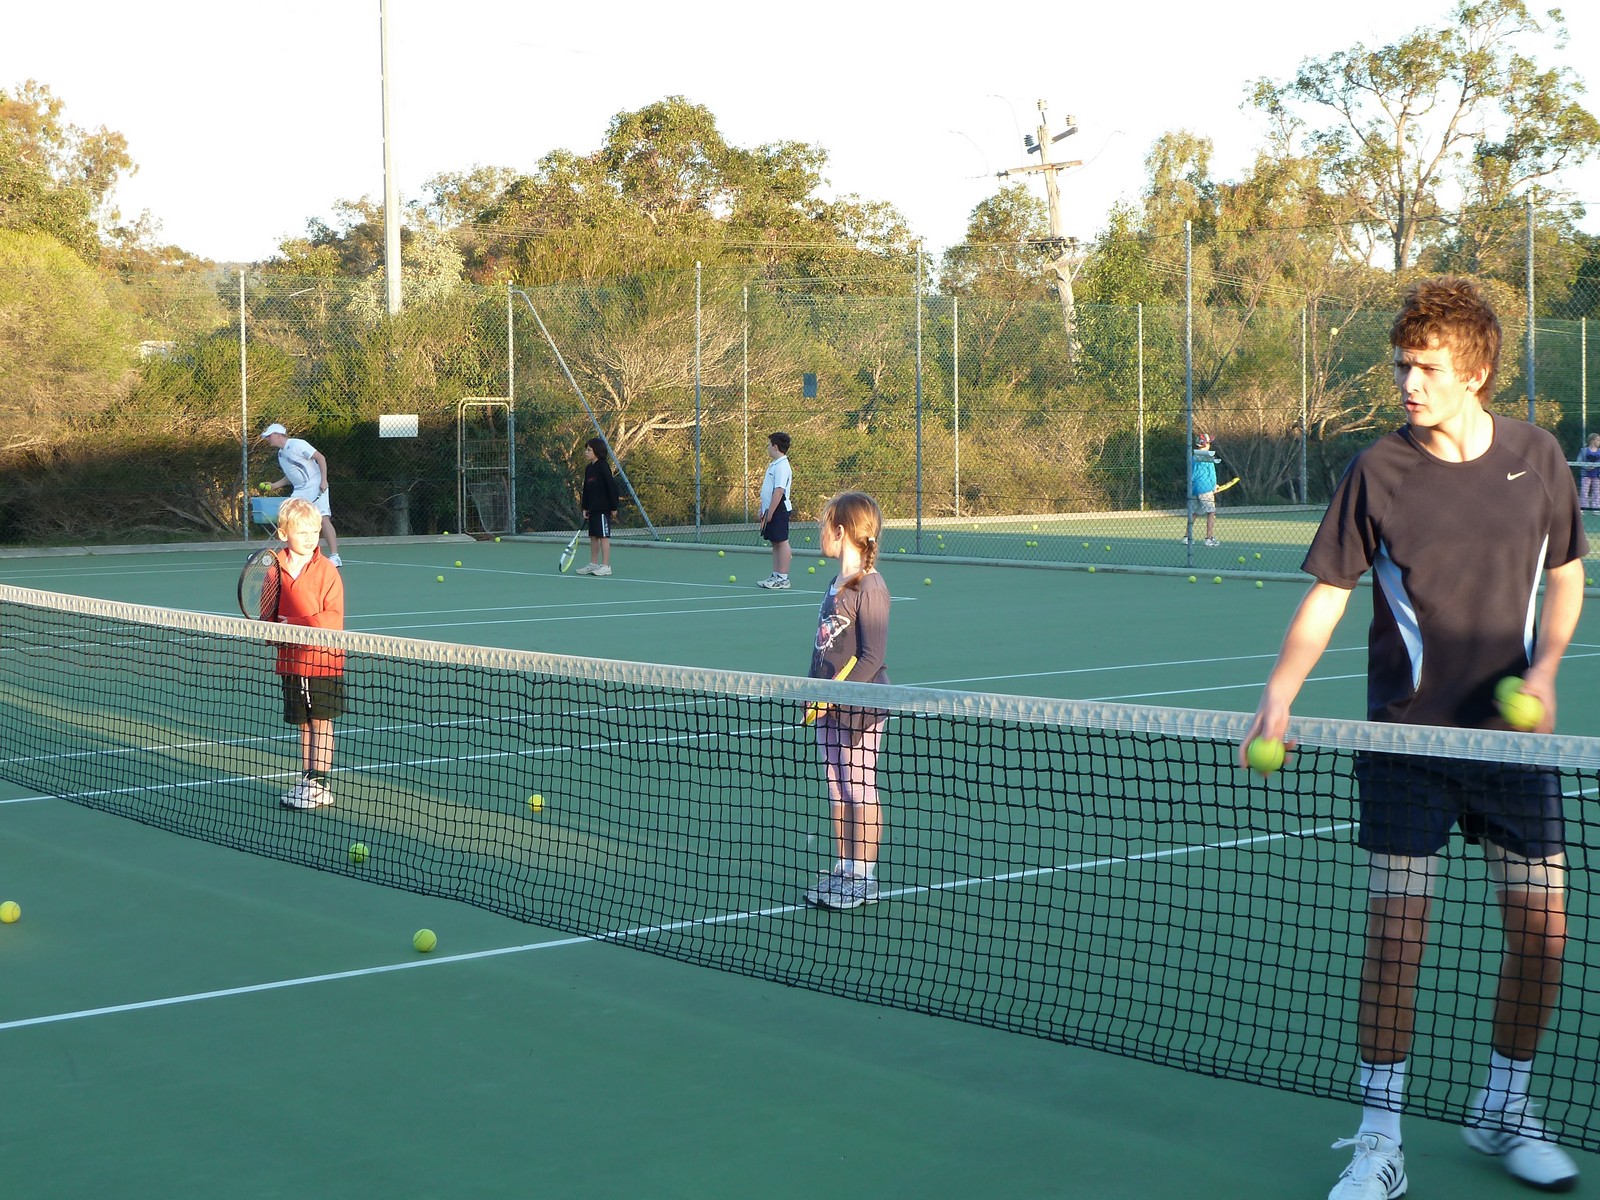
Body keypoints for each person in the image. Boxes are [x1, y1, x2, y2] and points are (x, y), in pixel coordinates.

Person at [1238, 277, 1586, 1199]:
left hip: (1510, 751)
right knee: (1396, 940)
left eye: (1427, 367)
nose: (1408, 382)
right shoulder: (1378, 470)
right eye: (1402, 365)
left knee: (1544, 937)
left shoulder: (1539, 458)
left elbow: (1566, 573)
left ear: (1475, 371)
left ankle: (1503, 1109)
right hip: (1405, 744)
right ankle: (1379, 1140)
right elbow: (1329, 593)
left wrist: (1547, 669)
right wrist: (1279, 693)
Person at [803, 491, 892, 911]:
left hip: (861, 710)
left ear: (840, 532)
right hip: (829, 707)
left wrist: (836, 698)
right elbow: (824, 650)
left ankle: (864, 876)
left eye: (824, 525)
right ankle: (843, 869)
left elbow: (872, 657)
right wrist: (813, 693)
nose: (820, 532)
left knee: (859, 788)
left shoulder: (871, 586)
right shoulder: (834, 583)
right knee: (837, 789)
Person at [271, 498, 347, 810]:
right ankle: (308, 780)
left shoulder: (327, 570)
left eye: (314, 532)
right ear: (283, 533)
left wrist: (293, 625)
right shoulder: (274, 569)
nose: (309, 538)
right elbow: (269, 616)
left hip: (323, 661)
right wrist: (272, 632)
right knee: (305, 724)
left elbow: (333, 619)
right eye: (302, 532)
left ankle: (321, 784)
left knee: (321, 722)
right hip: (291, 663)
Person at [259, 422, 342, 567]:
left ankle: (335, 557)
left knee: (323, 519)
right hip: (299, 490)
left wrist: (323, 481)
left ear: (278, 435)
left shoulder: (297, 444)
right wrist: (275, 485)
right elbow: (291, 475)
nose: (267, 439)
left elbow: (320, 458)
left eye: (269, 436)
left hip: (315, 485)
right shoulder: (281, 454)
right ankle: (293, 555)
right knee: (289, 519)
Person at [576, 437, 620, 576]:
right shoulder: (589, 468)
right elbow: (586, 489)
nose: (586, 452)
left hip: (603, 509)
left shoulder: (603, 466)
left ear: (597, 451)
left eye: (589, 450)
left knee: (603, 537)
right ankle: (593, 564)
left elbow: (612, 487)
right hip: (592, 509)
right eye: (586, 449)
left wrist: (613, 507)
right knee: (593, 537)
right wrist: (585, 507)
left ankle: (606, 566)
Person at [758, 431, 793, 590]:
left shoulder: (782, 466)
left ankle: (783, 578)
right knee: (775, 542)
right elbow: (768, 490)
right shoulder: (775, 464)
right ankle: (776, 575)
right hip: (771, 508)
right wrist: (763, 509)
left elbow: (779, 491)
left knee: (782, 541)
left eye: (769, 444)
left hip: (779, 508)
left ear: (775, 447)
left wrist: (770, 513)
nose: (767, 447)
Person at [1185, 433, 1220, 548]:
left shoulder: (1193, 457)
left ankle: (1187, 537)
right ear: (1205, 444)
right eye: (1209, 443)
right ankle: (1209, 539)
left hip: (1194, 488)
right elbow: (1212, 474)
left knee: (1195, 512)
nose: (1210, 445)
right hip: (1205, 488)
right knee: (1211, 512)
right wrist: (1214, 486)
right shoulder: (1207, 456)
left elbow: (1192, 474)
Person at [1576, 433, 1600, 510]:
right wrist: (1586, 467)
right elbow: (1579, 461)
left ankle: (1596, 508)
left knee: (1597, 492)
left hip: (1597, 475)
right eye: (1598, 440)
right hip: (1586, 475)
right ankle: (1583, 507)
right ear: (1592, 441)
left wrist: (1594, 466)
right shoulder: (1583, 450)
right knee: (1584, 491)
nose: (1599, 442)